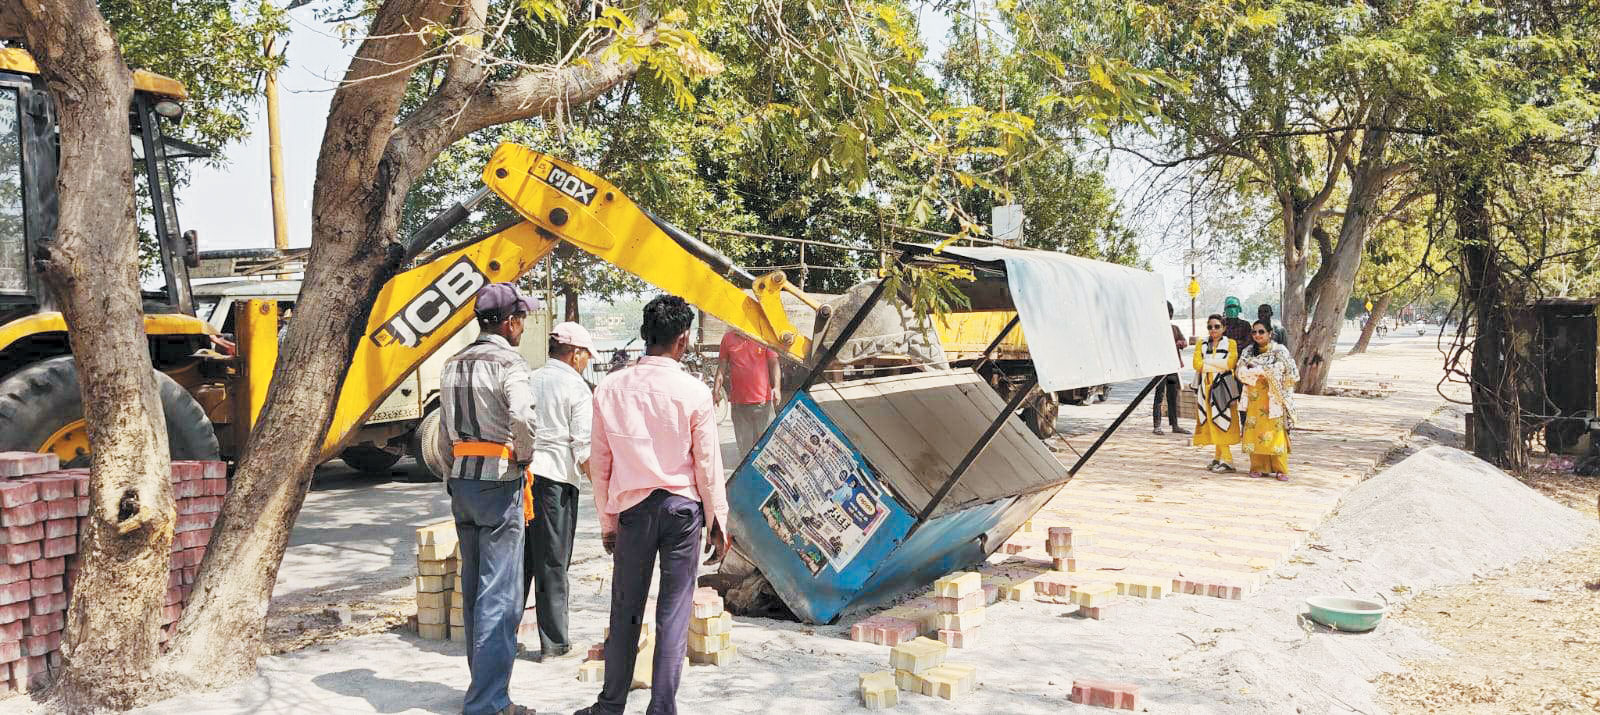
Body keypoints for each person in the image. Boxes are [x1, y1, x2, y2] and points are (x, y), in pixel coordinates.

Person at [576, 295, 731, 715]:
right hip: (682, 512)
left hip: (633, 511)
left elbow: (601, 463)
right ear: (683, 340)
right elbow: (707, 466)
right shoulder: (694, 392)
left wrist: (608, 522)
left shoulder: (609, 389)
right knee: (674, 610)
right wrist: (719, 522)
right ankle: (662, 707)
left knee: (625, 606)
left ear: (646, 335)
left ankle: (610, 705)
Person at [435, 283, 539, 715]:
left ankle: (483, 687)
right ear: (510, 322)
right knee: (501, 594)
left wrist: (452, 474)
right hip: (499, 482)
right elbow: (522, 416)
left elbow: (443, 433)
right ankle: (489, 702)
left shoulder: (451, 364)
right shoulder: (509, 362)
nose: (523, 327)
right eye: (522, 320)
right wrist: (526, 454)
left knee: (476, 591)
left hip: (462, 484)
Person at [522, 321, 595, 661]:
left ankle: (503, 637)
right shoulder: (576, 387)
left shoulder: (530, 378)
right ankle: (554, 643)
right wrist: (605, 492)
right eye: (586, 355)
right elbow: (583, 447)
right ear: (576, 353)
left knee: (520, 562)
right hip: (555, 483)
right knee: (552, 561)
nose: (586, 362)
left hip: (523, 479)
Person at [1236, 319, 1300, 481]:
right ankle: (1258, 467)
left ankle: (1281, 469)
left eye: (1261, 332)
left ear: (1270, 333)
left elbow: (1291, 373)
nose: (1257, 335)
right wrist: (1259, 372)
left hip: (1274, 398)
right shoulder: (1249, 351)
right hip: (1255, 398)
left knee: (1275, 432)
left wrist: (1264, 372)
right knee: (1254, 430)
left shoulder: (1280, 351)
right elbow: (1239, 371)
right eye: (1254, 332)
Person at [715, 329, 780, 457]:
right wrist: (716, 390)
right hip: (739, 406)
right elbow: (721, 367)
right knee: (745, 453)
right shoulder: (728, 338)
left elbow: (774, 363)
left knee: (769, 449)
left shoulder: (763, 336)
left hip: (763, 403)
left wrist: (777, 387)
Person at [1192, 313, 1242, 473]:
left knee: (1222, 418)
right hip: (1206, 388)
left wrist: (1206, 362)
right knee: (1213, 420)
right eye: (1210, 327)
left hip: (1223, 388)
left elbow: (1230, 363)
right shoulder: (1202, 343)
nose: (1213, 330)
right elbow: (1196, 364)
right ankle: (1219, 457)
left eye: (1217, 326)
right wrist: (1217, 365)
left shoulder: (1231, 344)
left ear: (1224, 328)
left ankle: (1228, 460)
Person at [1153, 301, 1189, 435]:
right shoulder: (1156, 330)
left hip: (1173, 368)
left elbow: (1184, 342)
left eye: (1169, 313)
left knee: (1173, 396)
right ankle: (1157, 426)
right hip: (1160, 367)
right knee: (1159, 396)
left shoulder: (1175, 328)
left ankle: (1175, 425)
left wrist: (1178, 343)